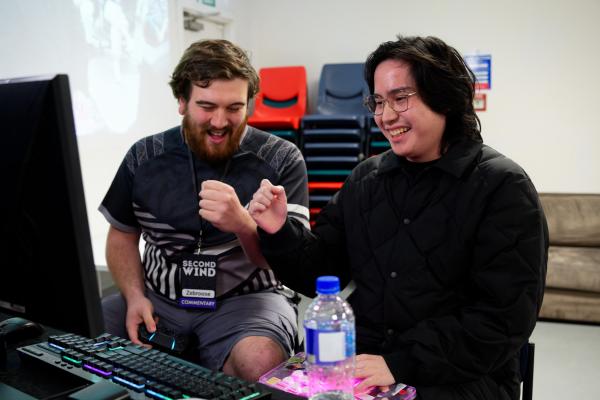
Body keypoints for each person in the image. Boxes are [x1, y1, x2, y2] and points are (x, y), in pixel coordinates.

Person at [249, 35, 548, 399]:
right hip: (367, 360)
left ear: (444, 98)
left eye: (400, 98)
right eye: (378, 101)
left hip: (462, 376)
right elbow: (321, 274)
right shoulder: (367, 179)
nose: (386, 116)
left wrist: (400, 363)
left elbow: (502, 320)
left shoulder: (502, 187)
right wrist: (280, 230)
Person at [99, 39, 309, 381]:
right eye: (207, 106)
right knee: (80, 331)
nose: (220, 121)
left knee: (261, 361)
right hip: (158, 296)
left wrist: (242, 224)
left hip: (248, 299)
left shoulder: (281, 159)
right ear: (182, 101)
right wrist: (134, 296)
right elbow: (122, 234)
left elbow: (293, 264)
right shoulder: (144, 157)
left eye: (234, 107)